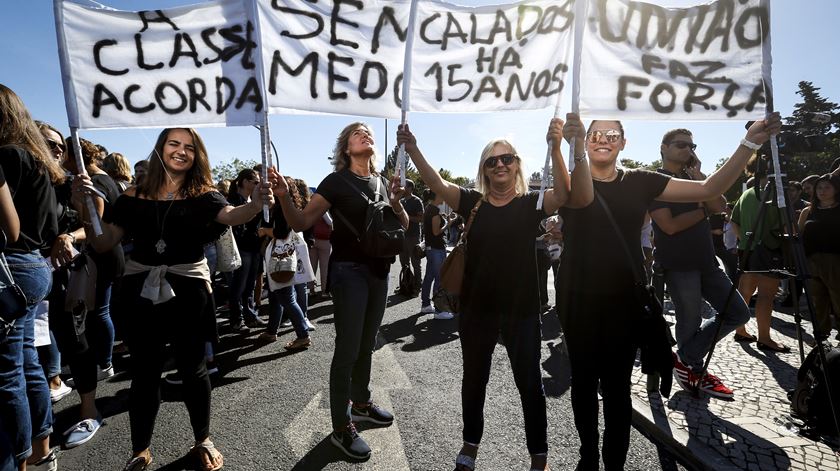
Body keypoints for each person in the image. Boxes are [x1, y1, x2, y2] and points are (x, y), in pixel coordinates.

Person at [555, 112, 780, 470]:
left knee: (616, 389)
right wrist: (565, 144)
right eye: (595, 133)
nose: (604, 138)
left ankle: (613, 464)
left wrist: (749, 142)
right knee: (583, 382)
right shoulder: (569, 182)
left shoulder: (641, 181)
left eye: (613, 133)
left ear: (624, 143)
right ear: (584, 139)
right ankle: (587, 458)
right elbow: (564, 199)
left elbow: (709, 191)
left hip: (624, 298)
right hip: (576, 297)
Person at [71, 127, 274, 471]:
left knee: (194, 369)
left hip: (189, 291)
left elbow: (230, 216)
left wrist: (255, 204)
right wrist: (84, 210)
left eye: (189, 147)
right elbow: (104, 242)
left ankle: (203, 439)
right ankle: (140, 450)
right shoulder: (133, 195)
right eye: (173, 144)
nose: (180, 151)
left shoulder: (204, 194)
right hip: (141, 294)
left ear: (197, 155)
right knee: (145, 372)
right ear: (160, 149)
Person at [397, 117, 589, 471]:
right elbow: (436, 182)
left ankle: (539, 456)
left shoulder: (532, 202)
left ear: (517, 165)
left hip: (523, 310)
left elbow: (565, 195)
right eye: (492, 160)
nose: (500, 164)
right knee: (474, 380)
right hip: (477, 310)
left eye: (507, 158)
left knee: (530, 385)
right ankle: (470, 445)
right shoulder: (472, 202)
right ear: (483, 170)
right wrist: (413, 149)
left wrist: (557, 147)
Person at [272, 122, 407, 461]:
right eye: (357, 133)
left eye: (369, 132)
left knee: (367, 343)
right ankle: (341, 428)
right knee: (347, 348)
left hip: (379, 271)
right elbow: (302, 222)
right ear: (346, 148)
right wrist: (284, 197)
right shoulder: (336, 181)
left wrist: (398, 202)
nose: (366, 135)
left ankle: (360, 403)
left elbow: (400, 226)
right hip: (349, 272)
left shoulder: (381, 181)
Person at [647, 128, 751, 399]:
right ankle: (692, 369)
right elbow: (668, 226)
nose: (688, 150)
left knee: (739, 312)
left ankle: (685, 359)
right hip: (679, 263)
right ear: (664, 147)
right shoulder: (655, 180)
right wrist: (703, 209)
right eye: (681, 145)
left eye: (692, 145)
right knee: (689, 322)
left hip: (706, 261)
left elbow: (720, 206)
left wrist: (701, 178)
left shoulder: (694, 180)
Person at [0, 83, 64, 471]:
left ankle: (19, 462)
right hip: (34, 266)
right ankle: (42, 449)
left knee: (8, 375)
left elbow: (9, 226)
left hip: (11, 267)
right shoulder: (38, 161)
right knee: (26, 366)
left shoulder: (7, 156)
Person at [731, 156, 790, 352]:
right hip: (770, 249)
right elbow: (786, 225)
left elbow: (734, 221)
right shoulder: (776, 194)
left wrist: (745, 240)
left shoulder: (747, 193)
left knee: (745, 291)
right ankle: (764, 338)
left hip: (748, 248)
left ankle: (740, 329)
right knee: (766, 295)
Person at [798, 172, 840, 342]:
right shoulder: (808, 211)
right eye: (819, 187)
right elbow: (799, 234)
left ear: (836, 189)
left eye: (827, 187)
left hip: (836, 261)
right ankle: (821, 334)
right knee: (817, 300)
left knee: (838, 298)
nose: (822, 191)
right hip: (811, 261)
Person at [226, 168, 267, 332]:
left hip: (254, 246)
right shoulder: (233, 201)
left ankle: (250, 315)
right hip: (241, 247)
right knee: (239, 285)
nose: (258, 185)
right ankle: (237, 319)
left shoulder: (253, 200)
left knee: (250, 285)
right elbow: (235, 225)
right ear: (244, 182)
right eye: (255, 182)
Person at [418, 188, 453, 319]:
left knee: (429, 276)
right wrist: (448, 224)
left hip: (430, 248)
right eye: (441, 194)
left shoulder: (428, 209)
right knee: (439, 278)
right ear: (435, 196)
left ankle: (426, 305)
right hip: (437, 248)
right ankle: (439, 310)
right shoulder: (435, 210)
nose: (443, 197)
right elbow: (436, 232)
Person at [398, 179, 423, 295]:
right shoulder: (401, 201)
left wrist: (406, 217)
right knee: (404, 262)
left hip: (413, 236)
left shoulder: (417, 201)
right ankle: (406, 283)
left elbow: (420, 219)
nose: (402, 188)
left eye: (404, 186)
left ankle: (417, 286)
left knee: (415, 263)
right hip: (402, 236)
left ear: (410, 188)